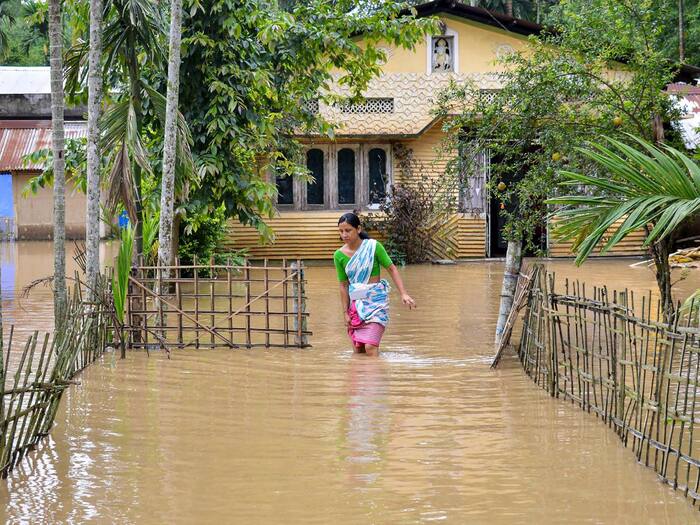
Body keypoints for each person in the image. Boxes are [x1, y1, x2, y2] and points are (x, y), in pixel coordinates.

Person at [334, 212, 416, 356]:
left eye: (348, 230)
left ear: (358, 229)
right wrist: (345, 313)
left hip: (376, 305)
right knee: (358, 351)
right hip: (356, 307)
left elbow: (392, 268)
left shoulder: (373, 247)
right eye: (341, 231)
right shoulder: (339, 255)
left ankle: (374, 376)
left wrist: (403, 293)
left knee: (370, 348)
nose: (344, 235)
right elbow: (343, 285)